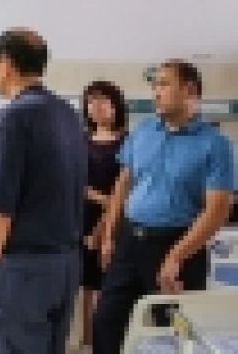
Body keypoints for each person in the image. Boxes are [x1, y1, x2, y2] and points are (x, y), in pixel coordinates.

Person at [92, 60, 235, 354]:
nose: (155, 92)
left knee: (171, 335)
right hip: (129, 245)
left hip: (177, 248)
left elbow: (218, 211)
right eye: (155, 85)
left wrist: (176, 256)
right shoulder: (143, 132)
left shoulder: (215, 145)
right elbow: (123, 184)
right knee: (106, 323)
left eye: (164, 84)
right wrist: (108, 234)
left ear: (189, 90)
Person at [0, 28, 86, 354]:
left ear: (6, 63)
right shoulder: (68, 114)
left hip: (25, 270)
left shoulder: (15, 117)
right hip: (65, 265)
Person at [77, 80, 127, 350]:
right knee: (87, 286)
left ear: (116, 105)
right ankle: (87, 341)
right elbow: (74, 183)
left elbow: (126, 189)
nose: (96, 105)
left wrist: (101, 226)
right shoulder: (79, 141)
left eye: (103, 100)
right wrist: (102, 200)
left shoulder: (128, 142)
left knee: (105, 286)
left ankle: (103, 343)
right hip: (80, 221)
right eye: (91, 100)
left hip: (116, 223)